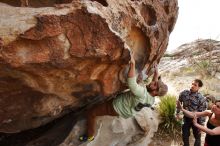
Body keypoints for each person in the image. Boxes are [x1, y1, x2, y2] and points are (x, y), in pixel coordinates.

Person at [79, 53, 168, 142]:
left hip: (116, 107)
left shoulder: (142, 93)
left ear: (155, 92)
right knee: (102, 104)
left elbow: (132, 83)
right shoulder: (151, 99)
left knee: (91, 113)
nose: (152, 83)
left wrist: (132, 65)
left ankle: (90, 135)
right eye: (155, 82)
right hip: (126, 110)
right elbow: (155, 82)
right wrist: (156, 72)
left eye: (155, 85)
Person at [176, 79, 207, 146]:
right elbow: (178, 103)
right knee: (185, 135)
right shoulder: (184, 93)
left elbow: (203, 113)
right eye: (192, 84)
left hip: (196, 119)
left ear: (199, 87)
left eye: (195, 85)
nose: (192, 86)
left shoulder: (201, 98)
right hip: (186, 118)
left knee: (197, 137)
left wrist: (201, 125)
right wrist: (177, 113)